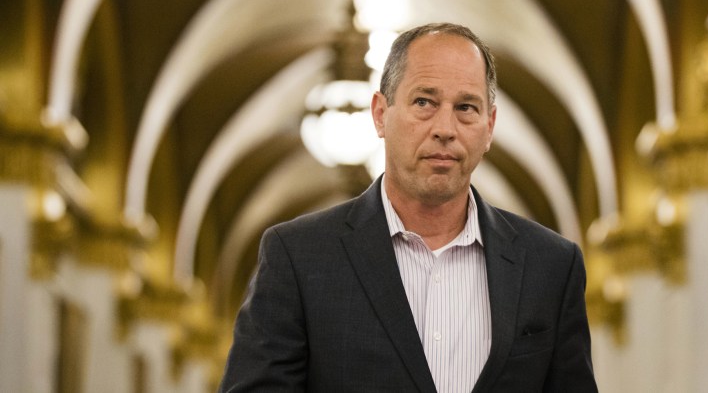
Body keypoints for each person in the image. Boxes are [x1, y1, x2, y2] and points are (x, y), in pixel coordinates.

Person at [219, 23, 597, 392]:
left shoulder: (551, 266)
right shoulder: (298, 257)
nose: (445, 127)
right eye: (424, 102)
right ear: (381, 114)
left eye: (466, 107)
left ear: (489, 126)